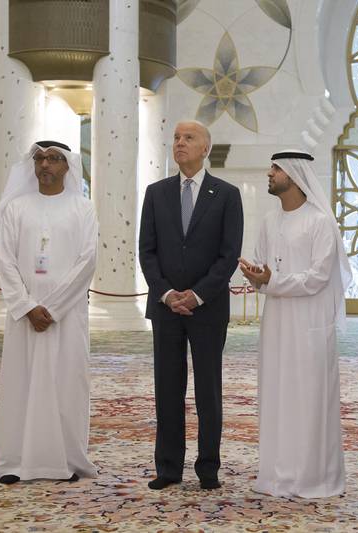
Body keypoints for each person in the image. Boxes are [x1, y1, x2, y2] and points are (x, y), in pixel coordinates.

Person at [238, 150, 352, 498]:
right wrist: (256, 276)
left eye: (276, 169)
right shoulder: (271, 221)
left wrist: (274, 280)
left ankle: (313, 476)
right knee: (277, 393)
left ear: (293, 174)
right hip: (277, 322)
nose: (269, 173)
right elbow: (263, 267)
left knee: (309, 396)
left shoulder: (320, 222)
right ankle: (277, 473)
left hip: (310, 323)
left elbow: (319, 277)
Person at [0, 141, 99, 485]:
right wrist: (26, 306)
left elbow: (87, 260)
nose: (45, 164)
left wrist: (52, 308)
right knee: (22, 383)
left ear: (67, 166)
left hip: (66, 315)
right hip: (25, 315)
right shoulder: (16, 208)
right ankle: (13, 461)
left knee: (66, 384)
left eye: (53, 159)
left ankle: (62, 460)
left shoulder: (83, 208)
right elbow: (4, 260)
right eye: (39, 158)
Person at [139, 120, 244, 490]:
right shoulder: (156, 193)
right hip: (166, 309)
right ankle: (168, 469)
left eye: (189, 138)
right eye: (176, 138)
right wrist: (167, 294)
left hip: (208, 309)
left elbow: (229, 255)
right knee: (167, 389)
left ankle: (208, 468)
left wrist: (197, 295)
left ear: (205, 148)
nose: (180, 143)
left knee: (207, 391)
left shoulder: (227, 195)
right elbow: (147, 252)